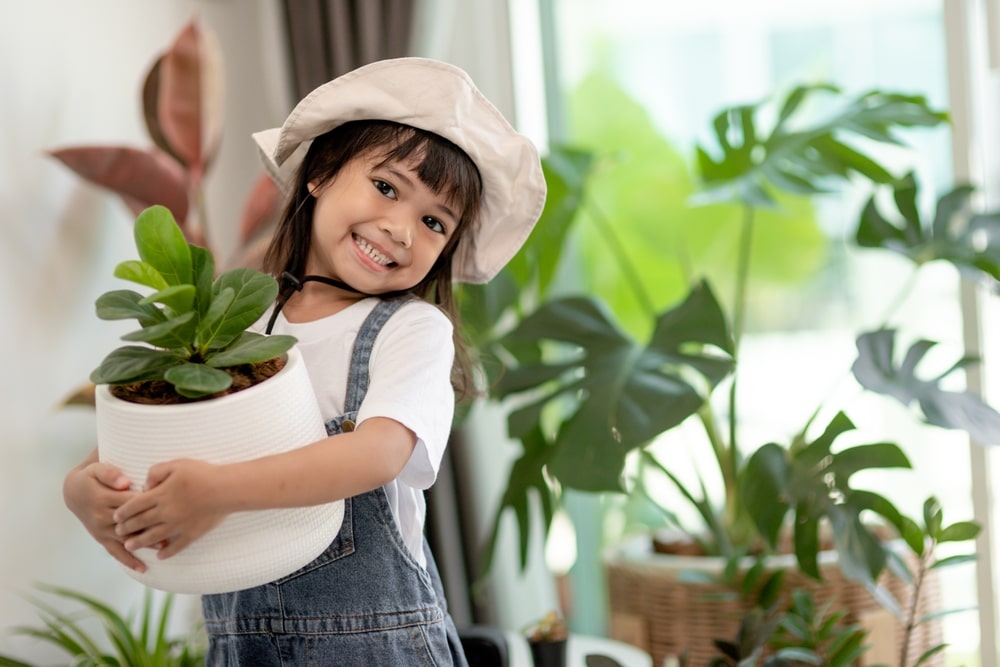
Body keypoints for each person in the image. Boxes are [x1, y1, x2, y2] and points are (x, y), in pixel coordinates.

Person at [62, 57, 546, 665]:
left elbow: (376, 454)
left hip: (376, 648)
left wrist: (217, 490)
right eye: (387, 187)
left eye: (433, 222)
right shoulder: (237, 319)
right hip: (240, 648)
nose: (400, 229)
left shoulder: (411, 329)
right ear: (320, 172)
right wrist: (84, 488)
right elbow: (144, 430)